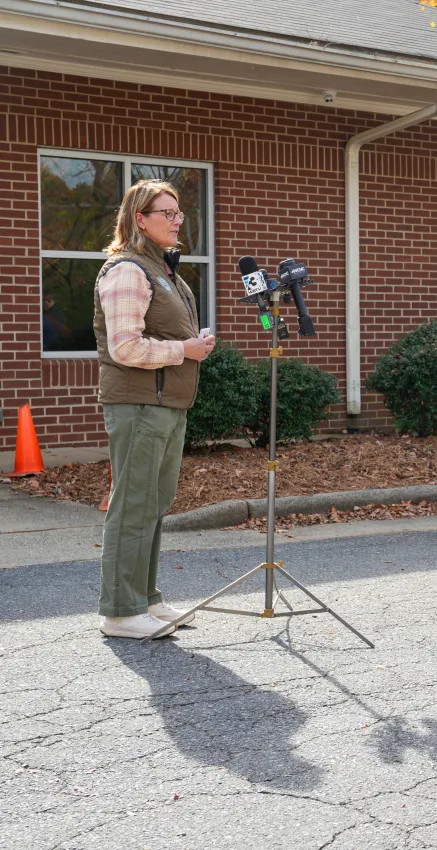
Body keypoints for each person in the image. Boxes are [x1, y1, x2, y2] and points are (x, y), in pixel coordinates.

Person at [95, 179, 215, 640]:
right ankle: (120, 612)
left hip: (165, 402)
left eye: (179, 211)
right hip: (140, 403)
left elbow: (162, 337)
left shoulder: (162, 271)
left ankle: (144, 600)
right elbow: (125, 347)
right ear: (139, 218)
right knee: (133, 505)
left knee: (153, 504)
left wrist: (191, 344)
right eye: (166, 212)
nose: (177, 219)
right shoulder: (127, 270)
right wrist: (185, 348)